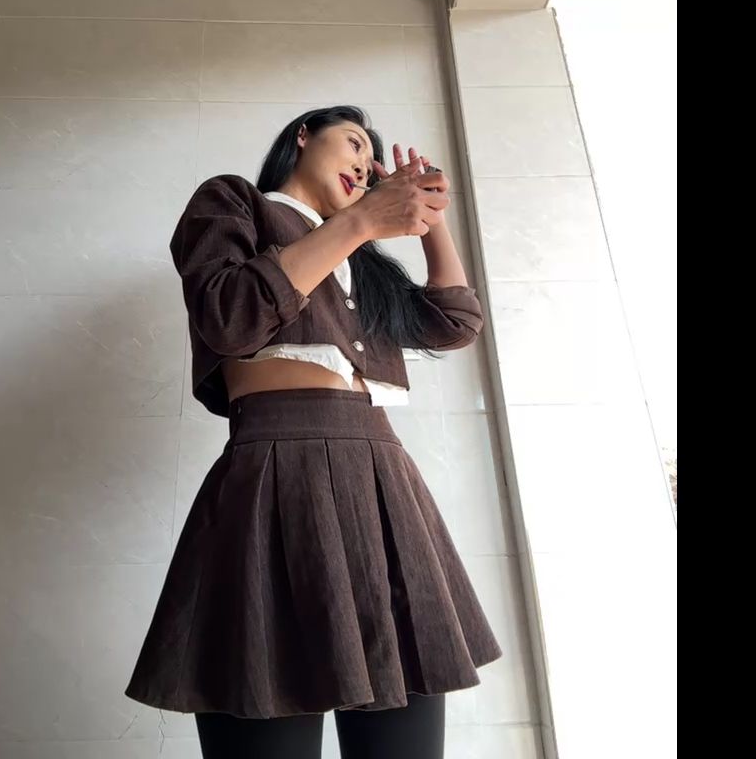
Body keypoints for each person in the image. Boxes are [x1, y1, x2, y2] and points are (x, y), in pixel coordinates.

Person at [125, 105, 503, 758]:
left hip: (383, 479)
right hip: (274, 471)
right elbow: (229, 318)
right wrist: (362, 220)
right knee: (263, 696)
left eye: (371, 158)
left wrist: (429, 221)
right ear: (302, 135)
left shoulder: (362, 262)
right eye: (353, 142)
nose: (362, 162)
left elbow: (455, 322)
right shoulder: (235, 203)